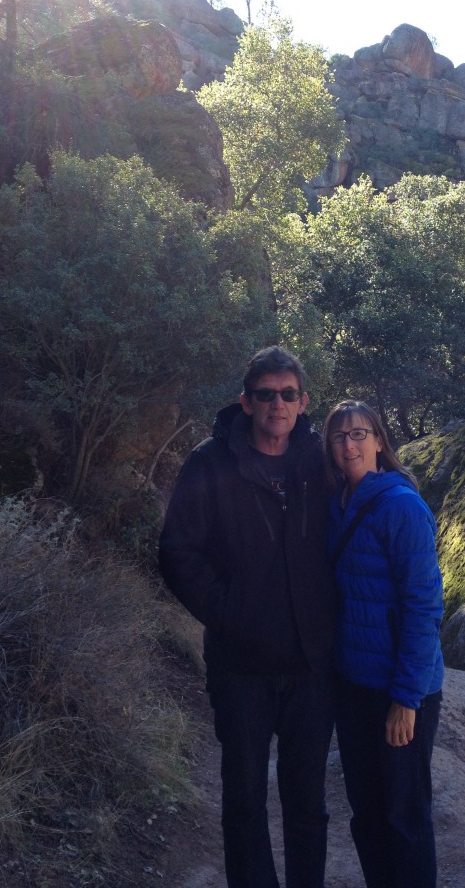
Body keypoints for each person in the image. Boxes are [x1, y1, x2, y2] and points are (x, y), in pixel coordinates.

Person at [158, 346, 336, 888]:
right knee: (244, 801)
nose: (276, 404)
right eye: (265, 394)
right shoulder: (210, 461)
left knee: (307, 800)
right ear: (246, 401)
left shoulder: (320, 461)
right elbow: (177, 553)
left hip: (312, 667)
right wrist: (230, 612)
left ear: (303, 403)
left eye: (287, 394)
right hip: (241, 666)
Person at [322, 399, 444, 888]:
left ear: (378, 441)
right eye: (339, 436)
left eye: (359, 434)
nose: (349, 444)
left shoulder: (401, 506)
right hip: (353, 686)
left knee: (405, 817)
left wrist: (406, 699)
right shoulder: (335, 505)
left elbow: (424, 607)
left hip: (400, 691)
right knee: (367, 813)